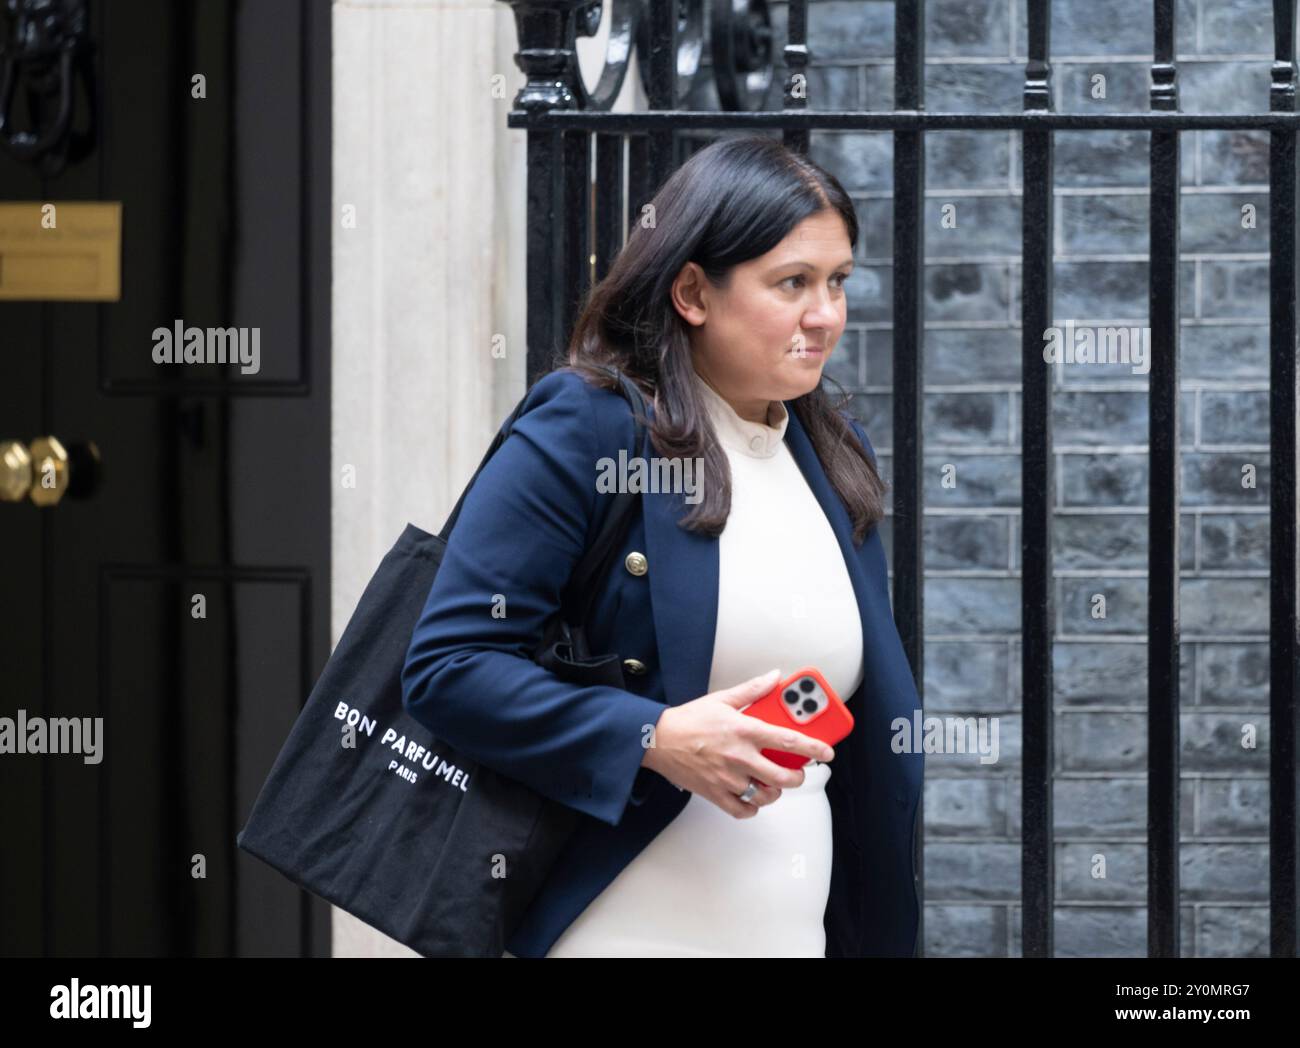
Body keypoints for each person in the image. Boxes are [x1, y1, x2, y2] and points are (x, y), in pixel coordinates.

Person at [401, 134, 923, 958]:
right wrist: (655, 738)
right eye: (791, 283)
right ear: (691, 292)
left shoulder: (829, 448)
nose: (825, 315)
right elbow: (451, 666)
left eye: (837, 282)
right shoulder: (588, 427)